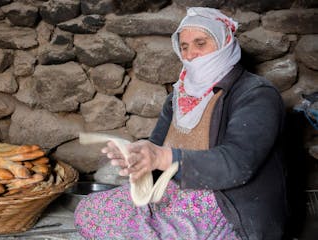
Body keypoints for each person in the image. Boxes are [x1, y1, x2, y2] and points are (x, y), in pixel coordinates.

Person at [74, 7, 287, 240]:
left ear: (224, 41)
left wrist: (163, 158)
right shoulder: (180, 95)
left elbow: (237, 164)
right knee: (89, 211)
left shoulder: (255, 94)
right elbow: (157, 145)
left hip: (224, 204)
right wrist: (136, 156)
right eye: (184, 47)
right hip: (172, 189)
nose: (190, 54)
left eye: (200, 43)